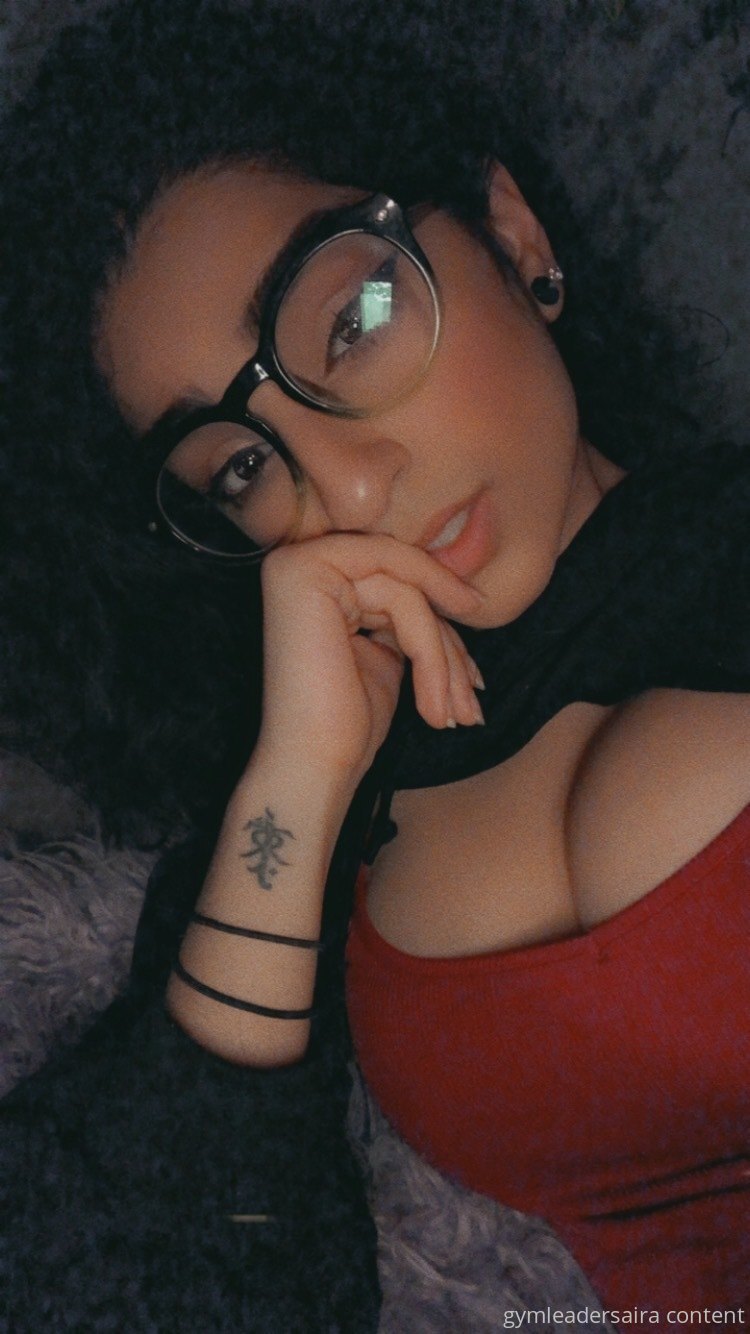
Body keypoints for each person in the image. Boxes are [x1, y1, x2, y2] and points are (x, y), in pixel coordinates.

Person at [2, 0, 748, 1322]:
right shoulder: (311, 804)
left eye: (349, 322)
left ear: (513, 237)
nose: (347, 487)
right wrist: (296, 787)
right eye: (242, 467)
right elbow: (157, 1266)